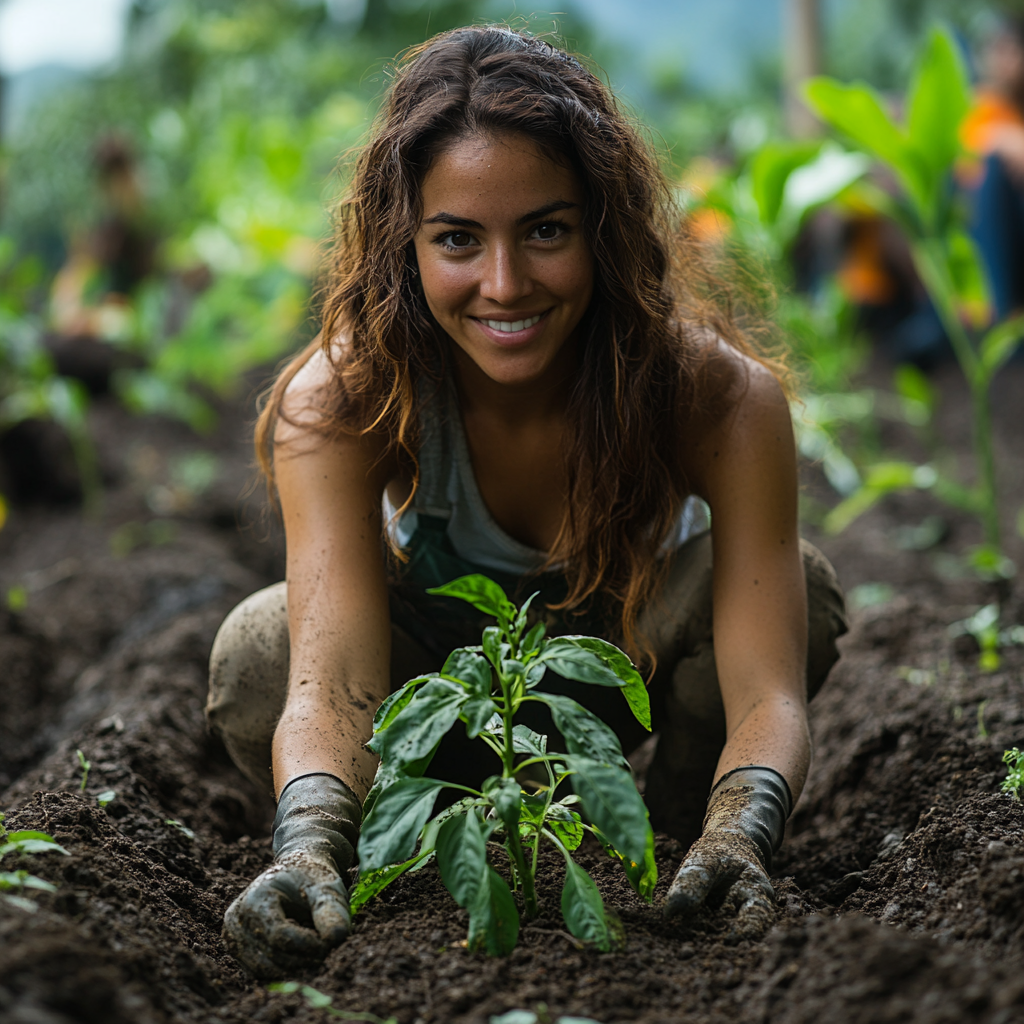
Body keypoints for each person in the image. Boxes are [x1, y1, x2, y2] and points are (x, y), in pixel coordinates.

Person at [205, 26, 848, 977]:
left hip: (615, 674)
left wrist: (742, 829)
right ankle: (400, 847)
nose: (504, 286)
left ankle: (678, 842)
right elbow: (327, 674)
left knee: (798, 586)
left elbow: (766, 688)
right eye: (457, 240)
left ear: (603, 228)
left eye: (546, 230)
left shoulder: (715, 397)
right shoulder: (348, 396)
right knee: (262, 652)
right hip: (440, 706)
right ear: (404, 244)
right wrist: (306, 841)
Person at [961, 15, 1024, 321]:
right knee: (994, 173)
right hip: (988, 221)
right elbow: (965, 166)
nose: (1004, 59)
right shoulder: (982, 105)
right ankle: (1001, 314)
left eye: (1010, 49)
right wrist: (1001, 140)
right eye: (996, 49)